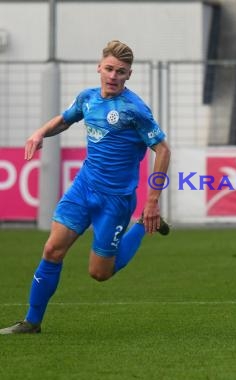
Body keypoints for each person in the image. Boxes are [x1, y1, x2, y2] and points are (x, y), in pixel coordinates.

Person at [0, 40, 171, 334]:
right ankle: (32, 321)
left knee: (99, 273)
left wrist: (152, 200)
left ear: (129, 75)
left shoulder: (135, 110)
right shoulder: (87, 98)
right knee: (52, 249)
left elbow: (163, 151)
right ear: (99, 67)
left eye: (121, 71)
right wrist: (41, 132)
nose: (113, 76)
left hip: (116, 201)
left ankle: (142, 225)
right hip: (83, 188)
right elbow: (65, 120)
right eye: (109, 69)